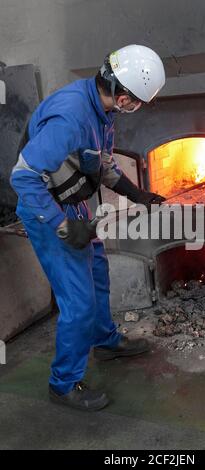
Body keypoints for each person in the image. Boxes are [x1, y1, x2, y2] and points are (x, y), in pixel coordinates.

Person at [10, 44, 166, 411]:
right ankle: (63, 384)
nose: (137, 107)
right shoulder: (70, 116)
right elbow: (23, 177)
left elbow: (100, 161)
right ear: (124, 95)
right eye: (138, 102)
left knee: (97, 272)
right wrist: (65, 227)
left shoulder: (101, 108)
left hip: (72, 202)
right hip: (46, 211)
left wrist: (135, 192)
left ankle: (105, 341)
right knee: (78, 303)